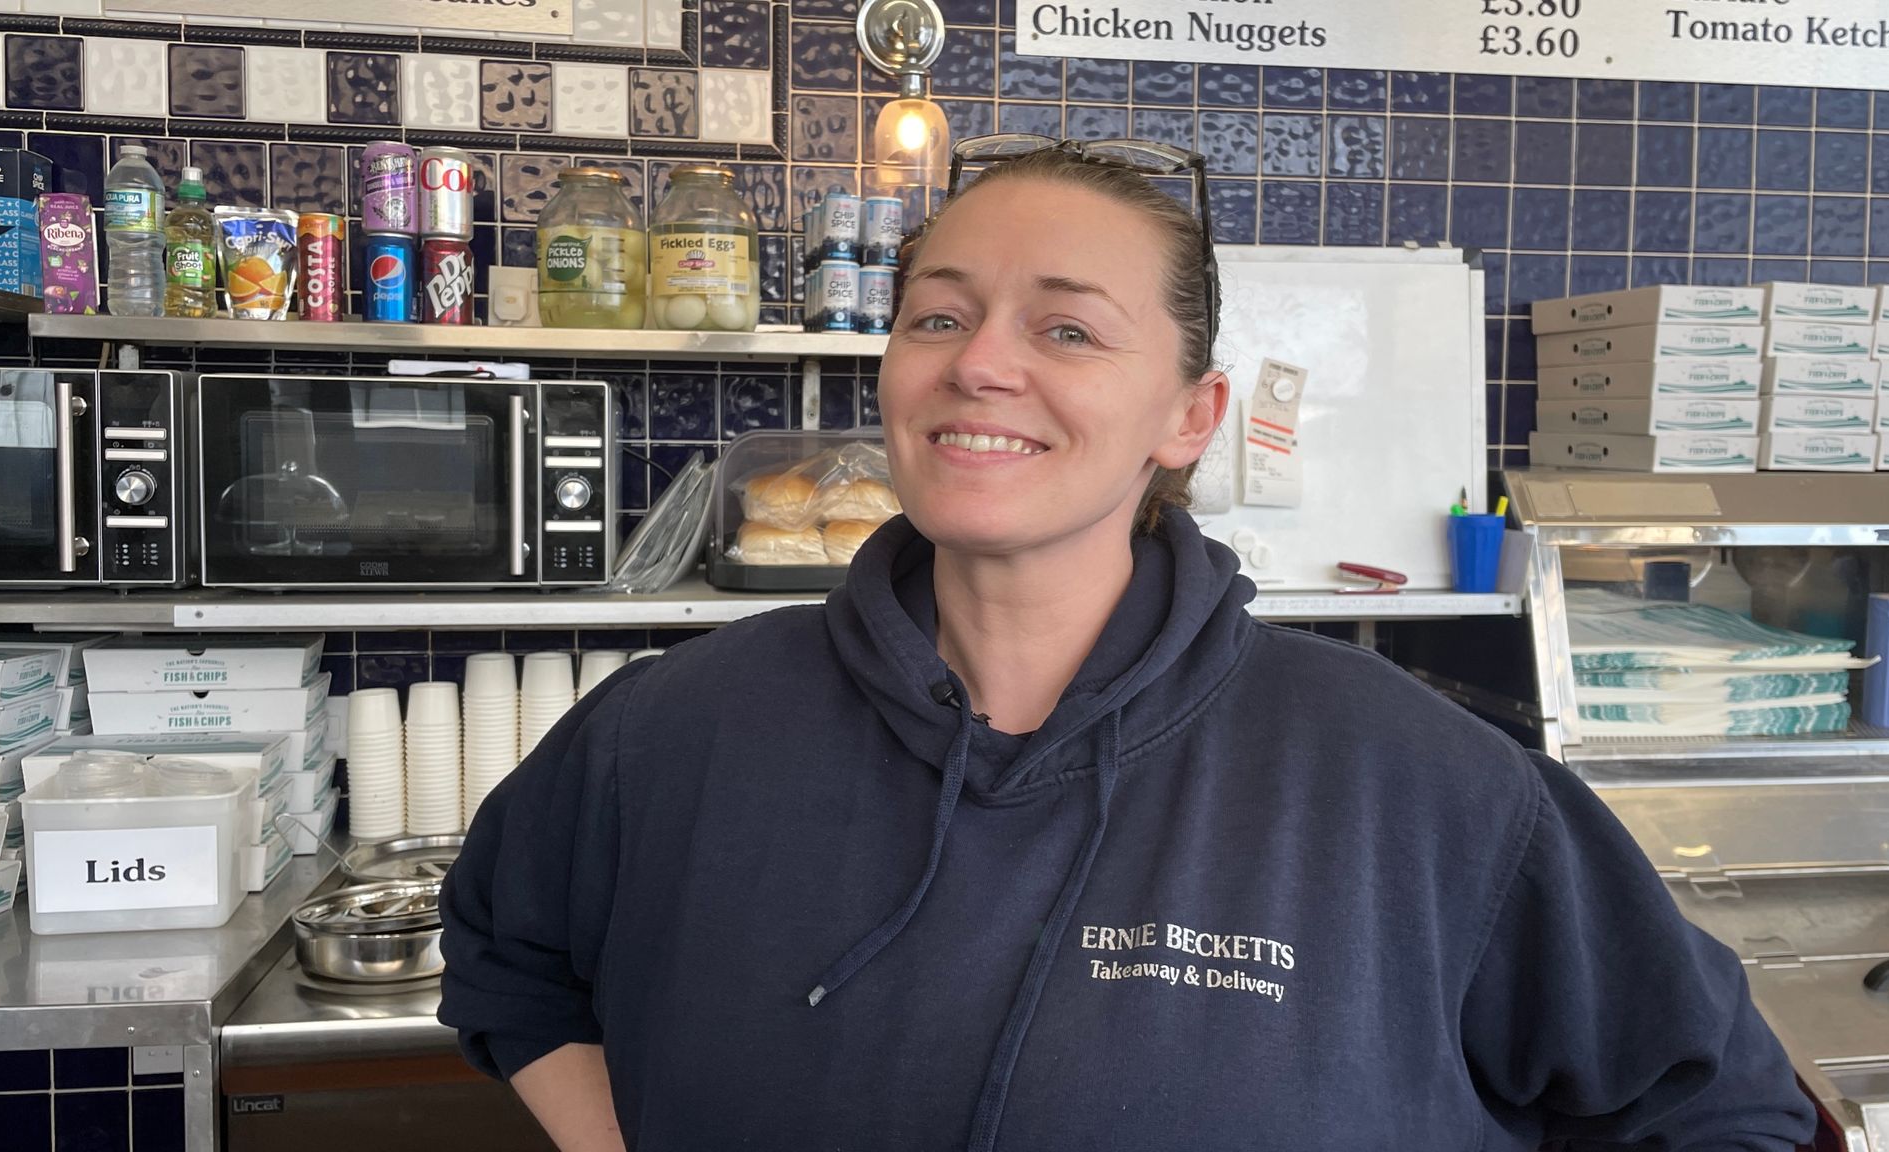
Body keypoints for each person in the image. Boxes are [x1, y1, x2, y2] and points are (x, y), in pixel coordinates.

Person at [439, 140, 1818, 1151]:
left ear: (1189, 415)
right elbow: (508, 957)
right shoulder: (674, 728)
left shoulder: (1426, 788)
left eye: (1066, 328)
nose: (982, 362)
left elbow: (1718, 1109)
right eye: (937, 313)